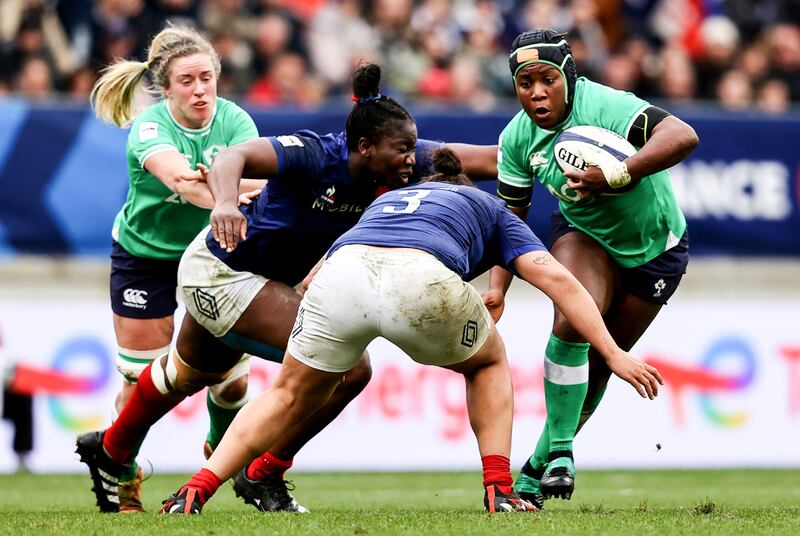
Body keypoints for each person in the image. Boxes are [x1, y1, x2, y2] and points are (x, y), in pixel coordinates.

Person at [76, 63, 498, 514]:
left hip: (256, 278)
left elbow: (488, 159)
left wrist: (547, 145)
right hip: (222, 270)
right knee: (349, 368)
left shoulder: (397, 158)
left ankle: (112, 448)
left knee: (186, 373)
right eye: (404, 150)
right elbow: (229, 160)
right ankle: (264, 472)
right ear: (365, 148)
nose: (414, 161)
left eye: (415, 149)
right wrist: (223, 203)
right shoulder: (314, 153)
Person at [158, 148, 662, 515]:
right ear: (464, 185)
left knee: (289, 392)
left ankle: (196, 490)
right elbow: (559, 280)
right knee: (487, 362)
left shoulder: (385, 203)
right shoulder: (488, 207)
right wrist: (613, 353)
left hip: (342, 272)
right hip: (421, 279)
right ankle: (499, 489)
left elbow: (314, 277)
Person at [492, 29, 699, 507]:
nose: (537, 92)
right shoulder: (517, 139)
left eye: (547, 79)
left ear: (568, 75)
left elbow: (683, 135)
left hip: (656, 249)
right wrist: (497, 287)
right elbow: (508, 217)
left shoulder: (609, 106)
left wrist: (616, 173)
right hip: (584, 236)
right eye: (525, 83)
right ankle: (563, 453)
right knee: (573, 324)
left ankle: (533, 473)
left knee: (604, 365)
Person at [79, 24, 266, 513]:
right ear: (165, 88)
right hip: (146, 259)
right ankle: (123, 479)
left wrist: (230, 189)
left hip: (214, 254)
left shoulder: (236, 121)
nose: (200, 89)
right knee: (140, 381)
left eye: (207, 77)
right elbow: (185, 182)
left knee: (234, 382)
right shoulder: (149, 127)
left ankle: (220, 451)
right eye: (187, 80)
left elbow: (259, 185)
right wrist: (224, 190)